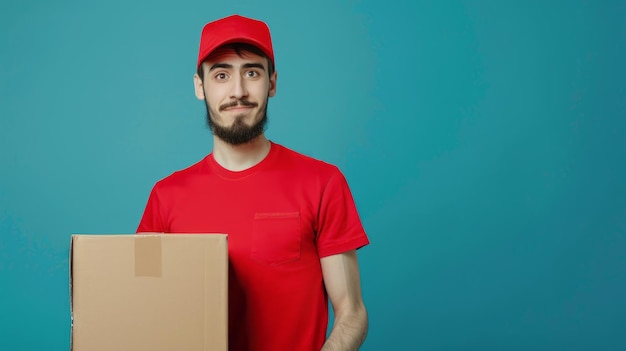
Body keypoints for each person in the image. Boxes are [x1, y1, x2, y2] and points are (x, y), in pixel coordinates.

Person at [137, 14, 369, 351]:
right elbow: (139, 304)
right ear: (200, 87)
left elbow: (352, 312)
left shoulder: (323, 182)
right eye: (221, 75)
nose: (238, 91)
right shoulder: (164, 196)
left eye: (252, 72)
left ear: (272, 83)